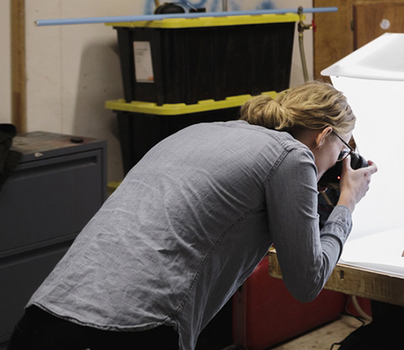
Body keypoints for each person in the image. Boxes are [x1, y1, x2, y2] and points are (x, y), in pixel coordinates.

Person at [8, 81, 378, 350]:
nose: (342, 160)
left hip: (46, 314)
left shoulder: (202, 131)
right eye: (344, 147)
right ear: (324, 135)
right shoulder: (291, 156)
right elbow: (307, 281)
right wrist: (347, 201)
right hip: (132, 329)